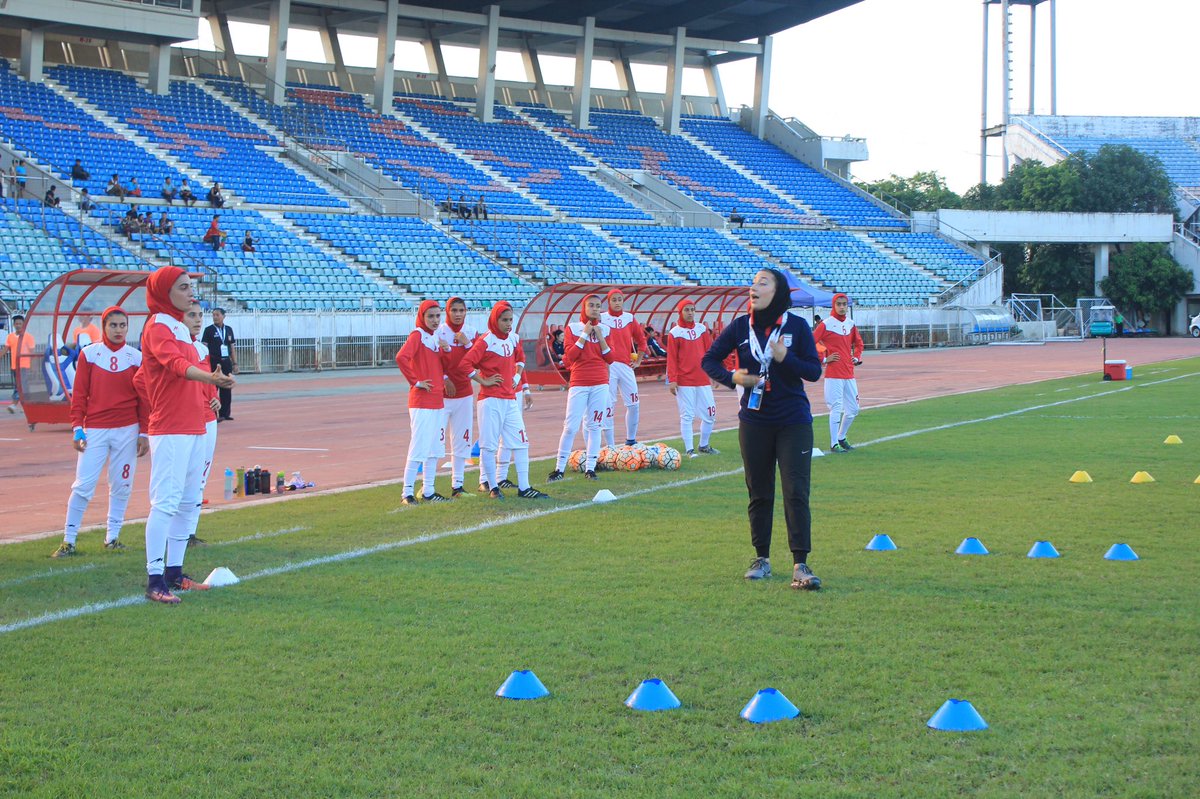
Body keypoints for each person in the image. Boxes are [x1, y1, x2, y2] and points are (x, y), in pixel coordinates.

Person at [702, 268, 824, 590]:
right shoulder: (742, 326)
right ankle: (762, 559)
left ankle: (801, 564)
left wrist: (785, 358)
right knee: (759, 492)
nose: (754, 287)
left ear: (778, 291)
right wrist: (734, 378)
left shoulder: (796, 326)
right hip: (754, 422)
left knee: (796, 491)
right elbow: (710, 360)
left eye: (762, 282)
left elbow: (813, 371)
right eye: (753, 282)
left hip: (793, 420)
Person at [138, 266, 235, 603]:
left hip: (194, 425)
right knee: (165, 502)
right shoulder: (158, 326)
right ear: (165, 293)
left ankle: (174, 573)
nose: (191, 293)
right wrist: (210, 380)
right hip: (170, 427)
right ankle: (154, 579)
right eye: (182, 288)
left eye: (191, 287)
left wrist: (208, 395)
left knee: (187, 501)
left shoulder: (181, 329)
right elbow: (175, 366)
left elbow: (187, 374)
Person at [53, 307, 149, 557]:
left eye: (122, 325)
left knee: (122, 485)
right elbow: (80, 395)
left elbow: (144, 400)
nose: (118, 330)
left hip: (128, 430)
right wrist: (77, 428)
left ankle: (113, 538)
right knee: (83, 485)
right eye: (113, 325)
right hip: (94, 429)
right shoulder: (90, 354)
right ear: (104, 326)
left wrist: (144, 433)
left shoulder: (136, 357)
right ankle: (68, 541)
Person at [461, 301, 548, 500]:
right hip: (490, 400)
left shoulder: (512, 339)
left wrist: (517, 379)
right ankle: (493, 487)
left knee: (521, 442)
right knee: (489, 446)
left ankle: (524, 488)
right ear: (495, 319)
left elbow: (520, 360)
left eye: (510, 320)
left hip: (509, 400)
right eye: (504, 320)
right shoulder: (486, 340)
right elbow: (465, 364)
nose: (508, 324)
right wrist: (483, 380)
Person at [548, 294, 614, 482]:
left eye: (597, 306)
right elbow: (572, 356)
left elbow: (610, 358)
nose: (594, 309)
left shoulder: (606, 329)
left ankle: (591, 468)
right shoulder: (573, 328)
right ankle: (559, 468)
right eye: (591, 305)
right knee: (570, 426)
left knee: (595, 426)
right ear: (583, 308)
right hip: (579, 382)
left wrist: (600, 336)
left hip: (600, 382)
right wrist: (585, 334)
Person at [396, 300, 453, 505]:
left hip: (437, 400)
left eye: (438, 316)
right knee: (419, 447)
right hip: (422, 402)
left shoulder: (434, 337)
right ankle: (407, 493)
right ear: (422, 317)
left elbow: (442, 365)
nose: (435, 320)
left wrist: (445, 350)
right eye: (431, 316)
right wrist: (416, 382)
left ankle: (429, 490)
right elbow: (402, 357)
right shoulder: (417, 335)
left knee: (435, 449)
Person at [185, 301, 221, 547]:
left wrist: (216, 398)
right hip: (184, 422)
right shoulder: (171, 348)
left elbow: (209, 382)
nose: (198, 320)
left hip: (208, 420)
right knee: (182, 480)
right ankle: (176, 533)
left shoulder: (202, 349)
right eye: (192, 315)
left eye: (200, 315)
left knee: (200, 479)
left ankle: (189, 533)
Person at [435, 296, 479, 497]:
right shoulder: (438, 331)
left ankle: (458, 486)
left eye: (462, 310)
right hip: (441, 397)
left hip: (464, 395)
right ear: (447, 311)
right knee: (435, 441)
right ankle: (427, 487)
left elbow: (478, 362)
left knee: (462, 441)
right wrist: (444, 378)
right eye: (454, 310)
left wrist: (468, 344)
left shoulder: (470, 332)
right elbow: (432, 362)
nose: (458, 314)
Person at [666, 298, 718, 459]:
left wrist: (714, 373)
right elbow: (672, 358)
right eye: (687, 310)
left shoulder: (702, 329)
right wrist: (672, 379)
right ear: (680, 312)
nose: (690, 313)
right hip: (684, 381)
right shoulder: (674, 333)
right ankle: (689, 449)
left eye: (692, 309)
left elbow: (710, 353)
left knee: (710, 413)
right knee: (687, 416)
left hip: (702, 379)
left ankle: (704, 445)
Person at [811, 293, 863, 453]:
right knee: (836, 407)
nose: (842, 307)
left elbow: (859, 343)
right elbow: (810, 343)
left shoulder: (851, 323)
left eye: (844, 304)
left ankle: (841, 437)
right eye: (838, 304)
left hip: (849, 372)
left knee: (854, 409)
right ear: (833, 306)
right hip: (833, 374)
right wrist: (824, 359)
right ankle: (834, 444)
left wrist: (856, 357)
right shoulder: (826, 324)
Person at [599, 288, 647, 447]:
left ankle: (631, 440)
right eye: (614, 300)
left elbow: (641, 340)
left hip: (626, 366)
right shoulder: (601, 318)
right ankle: (610, 445)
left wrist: (638, 360)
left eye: (620, 299)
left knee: (634, 404)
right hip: (608, 366)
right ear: (608, 301)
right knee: (608, 405)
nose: (617, 302)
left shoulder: (629, 318)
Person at [200, 307, 238, 421]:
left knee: (226, 387)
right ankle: (214, 414)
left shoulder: (229, 329)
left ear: (223, 316)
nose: (215, 317)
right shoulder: (209, 330)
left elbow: (232, 347)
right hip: (213, 362)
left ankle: (225, 413)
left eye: (217, 315)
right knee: (213, 388)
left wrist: (235, 363)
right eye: (213, 315)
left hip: (226, 362)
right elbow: (204, 347)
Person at [2, 314, 33, 414]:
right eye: (16, 323)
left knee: (19, 386)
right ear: (14, 325)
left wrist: (33, 365)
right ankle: (28, 407)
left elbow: (32, 351)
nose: (18, 325)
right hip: (14, 366)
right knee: (23, 387)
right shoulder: (10, 337)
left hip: (24, 366)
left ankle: (14, 404)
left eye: (20, 323)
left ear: (23, 324)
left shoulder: (28, 337)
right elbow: (5, 349)